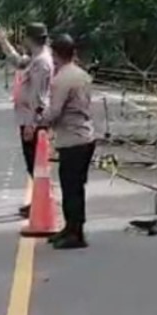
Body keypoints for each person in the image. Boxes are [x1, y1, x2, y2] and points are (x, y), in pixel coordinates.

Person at [37, 34, 96, 250]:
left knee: (71, 188)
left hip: (72, 140)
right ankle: (70, 227)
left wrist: (39, 120)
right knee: (75, 186)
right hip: (86, 136)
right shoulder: (82, 75)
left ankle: (76, 233)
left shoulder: (61, 79)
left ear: (55, 54)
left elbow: (54, 112)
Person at [0, 23, 54, 218]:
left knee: (36, 165)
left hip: (33, 120)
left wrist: (32, 124)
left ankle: (41, 202)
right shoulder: (35, 59)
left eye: (25, 37)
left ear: (30, 39)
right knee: (33, 165)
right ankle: (38, 201)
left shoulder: (42, 62)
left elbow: (40, 97)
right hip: (28, 118)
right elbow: (18, 62)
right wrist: (4, 42)